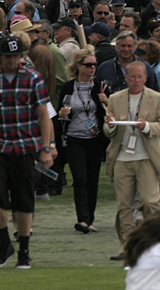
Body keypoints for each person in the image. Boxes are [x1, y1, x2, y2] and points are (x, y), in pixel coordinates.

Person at [0, 34, 54, 269]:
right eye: (8, 57)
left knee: (24, 199)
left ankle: (24, 250)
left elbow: (43, 115)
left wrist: (46, 147)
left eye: (16, 56)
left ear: (21, 57)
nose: (12, 61)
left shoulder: (33, 79)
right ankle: (5, 242)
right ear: (1, 56)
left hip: (26, 146)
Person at [104, 60, 160, 259]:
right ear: (125, 78)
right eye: (131, 76)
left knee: (150, 203)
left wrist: (147, 127)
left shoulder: (157, 99)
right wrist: (111, 125)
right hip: (122, 158)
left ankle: (154, 243)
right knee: (124, 206)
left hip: (147, 158)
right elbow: (108, 130)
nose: (135, 80)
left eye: (139, 76)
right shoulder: (115, 99)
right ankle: (126, 245)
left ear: (146, 78)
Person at [58, 46, 107, 234]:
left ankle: (90, 219)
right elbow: (60, 114)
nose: (92, 68)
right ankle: (83, 218)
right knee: (80, 179)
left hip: (95, 139)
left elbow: (109, 112)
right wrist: (63, 115)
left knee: (92, 179)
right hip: (74, 138)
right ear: (79, 66)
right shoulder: (69, 87)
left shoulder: (100, 87)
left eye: (94, 65)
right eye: (88, 65)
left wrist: (107, 101)